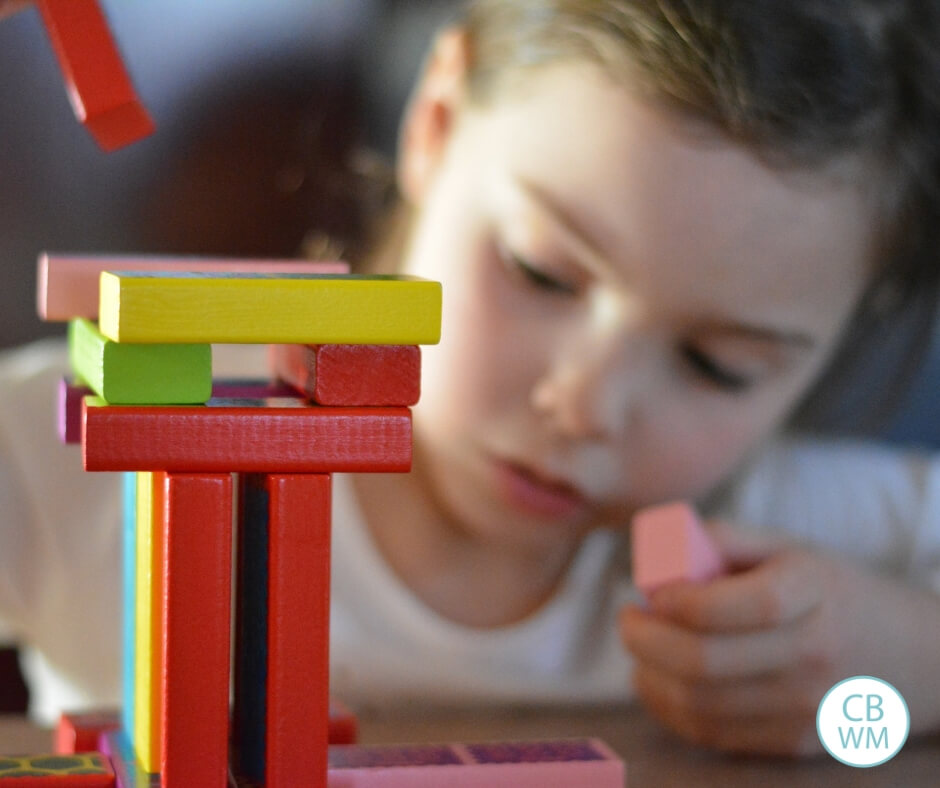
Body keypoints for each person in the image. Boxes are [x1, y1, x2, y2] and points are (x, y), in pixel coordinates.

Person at [1, 0, 938, 760]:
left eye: (717, 365)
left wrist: (901, 667)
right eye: (542, 272)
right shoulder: (91, 444)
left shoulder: (783, 535)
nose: (585, 407)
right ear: (435, 120)